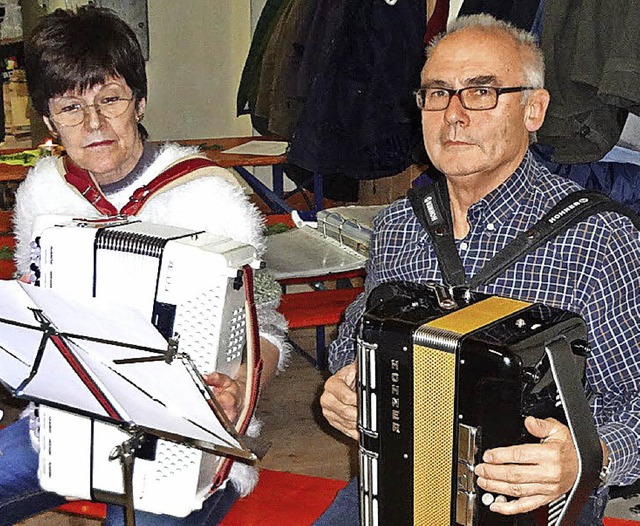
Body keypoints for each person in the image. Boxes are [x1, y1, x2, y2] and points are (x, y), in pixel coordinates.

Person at [317, 14, 640, 526]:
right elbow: (360, 333)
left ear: (534, 109)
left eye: (482, 92)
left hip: (530, 499)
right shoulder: (400, 224)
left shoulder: (599, 239)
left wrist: (587, 456)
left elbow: (635, 400)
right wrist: (346, 381)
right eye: (437, 93)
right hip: (400, 476)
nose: (454, 115)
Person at [0, 6, 289, 526]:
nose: (93, 125)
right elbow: (32, 309)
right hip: (66, 424)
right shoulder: (44, 194)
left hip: (187, 436)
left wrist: (240, 388)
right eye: (70, 108)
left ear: (140, 101)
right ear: (48, 120)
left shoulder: (209, 195)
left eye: (110, 99)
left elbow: (265, 325)